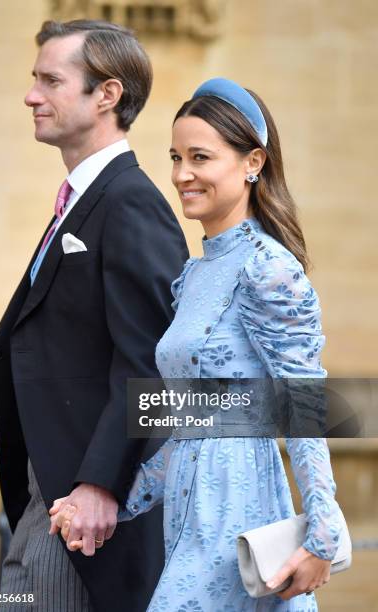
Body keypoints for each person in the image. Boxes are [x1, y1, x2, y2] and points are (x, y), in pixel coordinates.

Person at [52, 78, 343, 611]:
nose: (182, 174)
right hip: (189, 514)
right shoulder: (195, 273)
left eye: (200, 157)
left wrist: (324, 537)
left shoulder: (268, 269)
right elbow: (199, 423)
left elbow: (304, 403)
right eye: (175, 156)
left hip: (240, 509)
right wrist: (117, 500)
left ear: (253, 162)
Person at [0, 19, 188, 612]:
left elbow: (152, 361)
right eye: (35, 80)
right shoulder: (81, 201)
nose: (32, 95)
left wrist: (100, 481)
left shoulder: (129, 201)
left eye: (51, 80)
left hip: (83, 514)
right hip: (45, 498)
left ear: (107, 95)